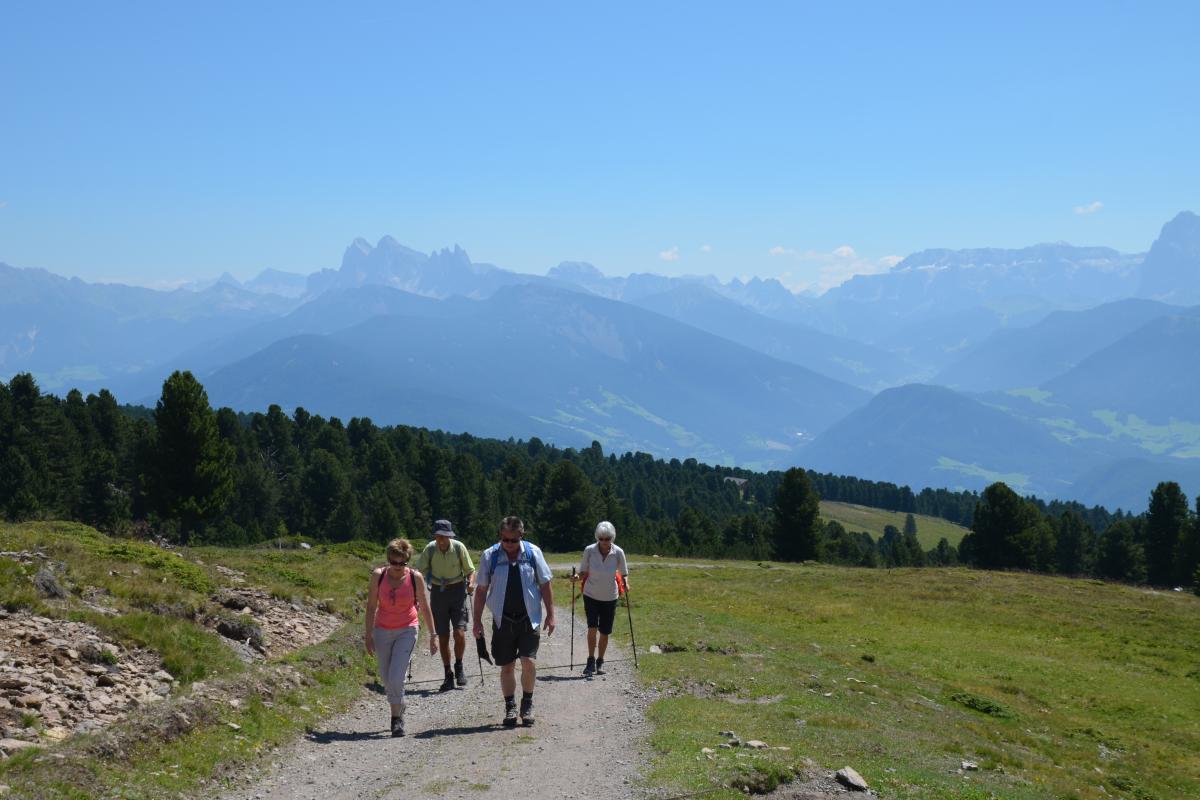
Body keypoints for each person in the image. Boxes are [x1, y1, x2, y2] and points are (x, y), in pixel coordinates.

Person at [472, 515, 556, 727]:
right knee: (507, 666)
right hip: (503, 620)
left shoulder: (533, 553)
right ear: (500, 536)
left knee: (528, 661)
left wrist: (551, 614)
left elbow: (545, 584)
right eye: (505, 539)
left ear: (521, 536)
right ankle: (510, 707)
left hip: (529, 618)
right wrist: (477, 621)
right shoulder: (489, 556)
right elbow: (481, 590)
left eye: (513, 540)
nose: (509, 544)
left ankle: (526, 704)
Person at [365, 538, 437, 737]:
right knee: (387, 678)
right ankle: (400, 703)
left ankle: (396, 719)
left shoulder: (415, 577)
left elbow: (425, 605)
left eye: (402, 563)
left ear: (408, 560)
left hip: (407, 629)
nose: (398, 567)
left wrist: (433, 635)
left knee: (396, 675)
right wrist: (368, 635)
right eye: (394, 562)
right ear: (388, 560)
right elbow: (371, 607)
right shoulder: (378, 576)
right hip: (382, 630)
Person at [413, 518, 476, 691]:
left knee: (460, 632)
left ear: (450, 536)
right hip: (438, 592)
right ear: (436, 535)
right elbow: (419, 570)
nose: (442, 539)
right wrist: (414, 589)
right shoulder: (430, 549)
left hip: (457, 591)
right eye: (439, 536)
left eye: (445, 536)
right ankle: (448, 674)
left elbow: (471, 570)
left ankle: (459, 666)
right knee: (443, 635)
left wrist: (471, 583)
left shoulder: (458, 547)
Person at [574, 521, 629, 677]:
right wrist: (577, 577)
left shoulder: (619, 552)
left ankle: (600, 661)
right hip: (591, 594)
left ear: (612, 538)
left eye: (608, 538)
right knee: (592, 627)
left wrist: (627, 583)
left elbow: (624, 573)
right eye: (602, 538)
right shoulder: (589, 551)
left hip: (610, 597)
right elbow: (583, 572)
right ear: (597, 537)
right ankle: (590, 660)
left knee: (605, 631)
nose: (605, 542)